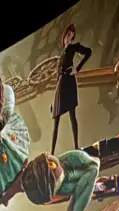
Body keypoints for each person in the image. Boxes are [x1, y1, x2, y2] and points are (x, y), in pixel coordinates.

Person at [50, 24, 92, 155]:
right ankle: (52, 152)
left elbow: (88, 52)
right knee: (56, 120)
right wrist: (54, 99)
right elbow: (57, 75)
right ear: (64, 36)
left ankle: (76, 147)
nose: (69, 38)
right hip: (61, 83)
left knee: (72, 115)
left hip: (69, 82)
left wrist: (77, 69)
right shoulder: (62, 54)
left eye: (71, 36)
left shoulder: (73, 48)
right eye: (68, 35)